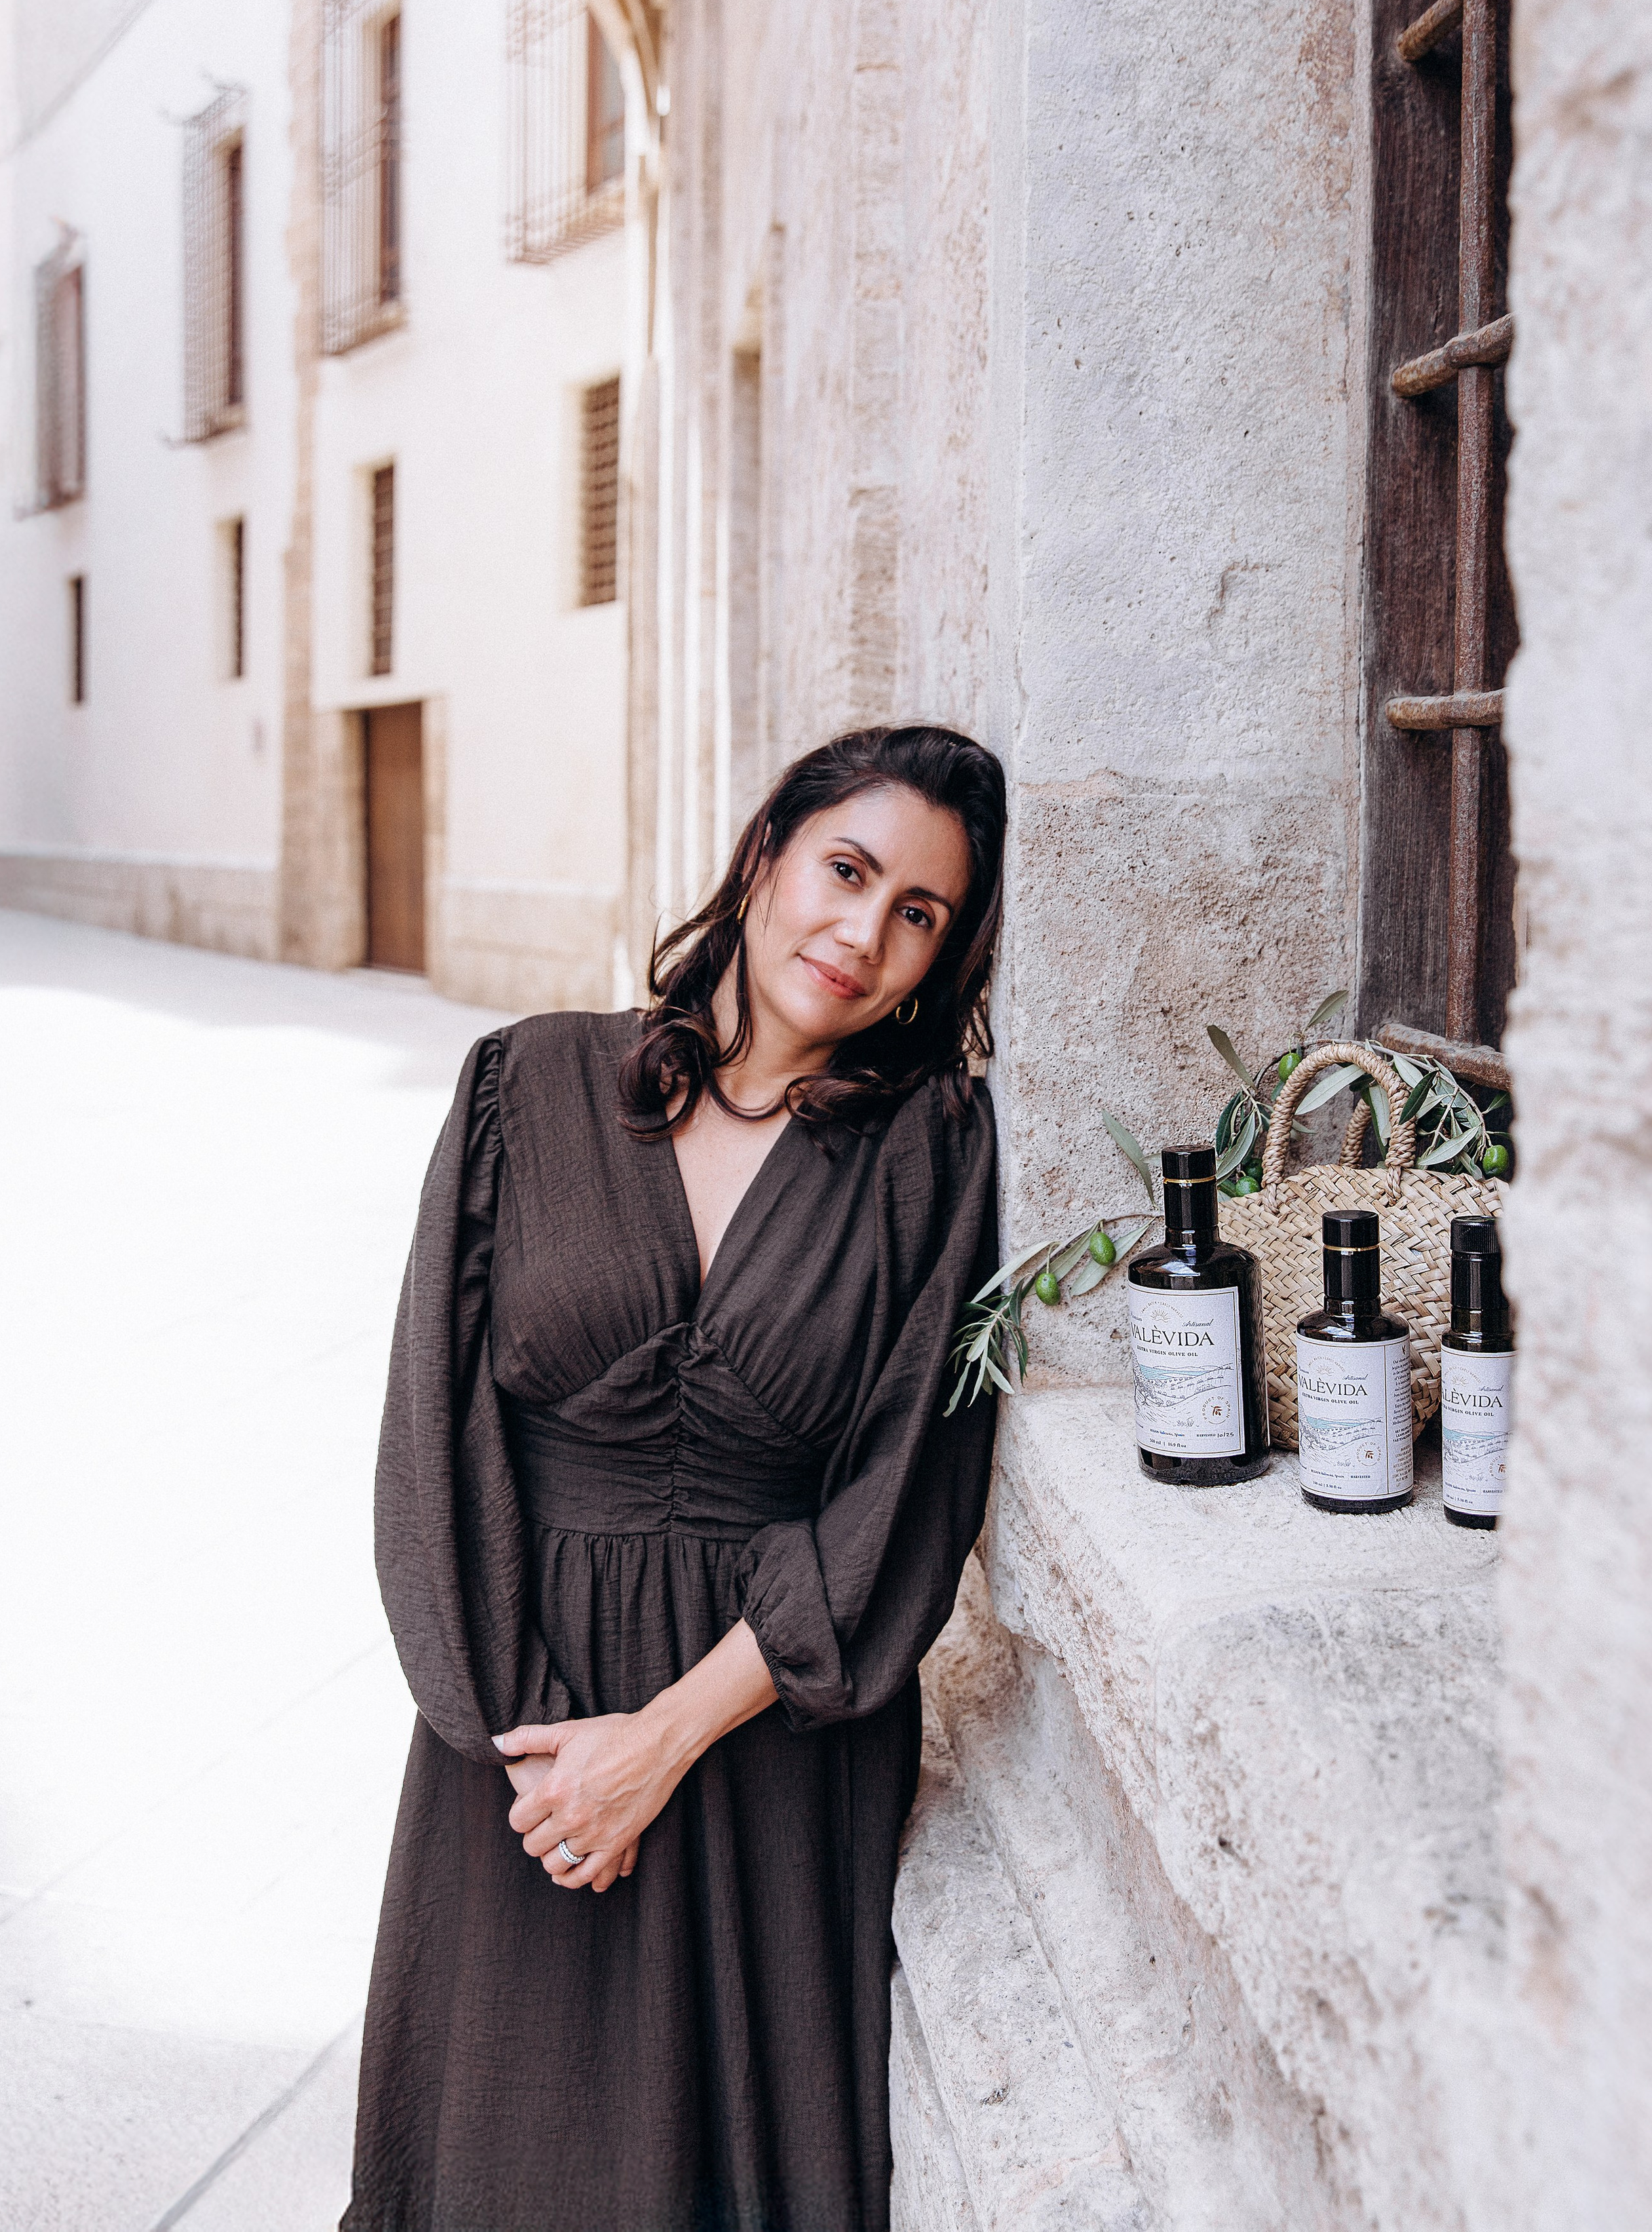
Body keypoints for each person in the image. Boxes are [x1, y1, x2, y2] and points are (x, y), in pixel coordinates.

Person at [344, 723, 1007, 2232]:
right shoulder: (525, 1082)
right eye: (846, 870)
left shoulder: (931, 1152)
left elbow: (905, 1485)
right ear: (766, 848)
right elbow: (432, 1439)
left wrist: (658, 1742)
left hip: (768, 1734)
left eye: (920, 915)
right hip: (525, 1743)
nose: (863, 935)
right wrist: (537, 1753)